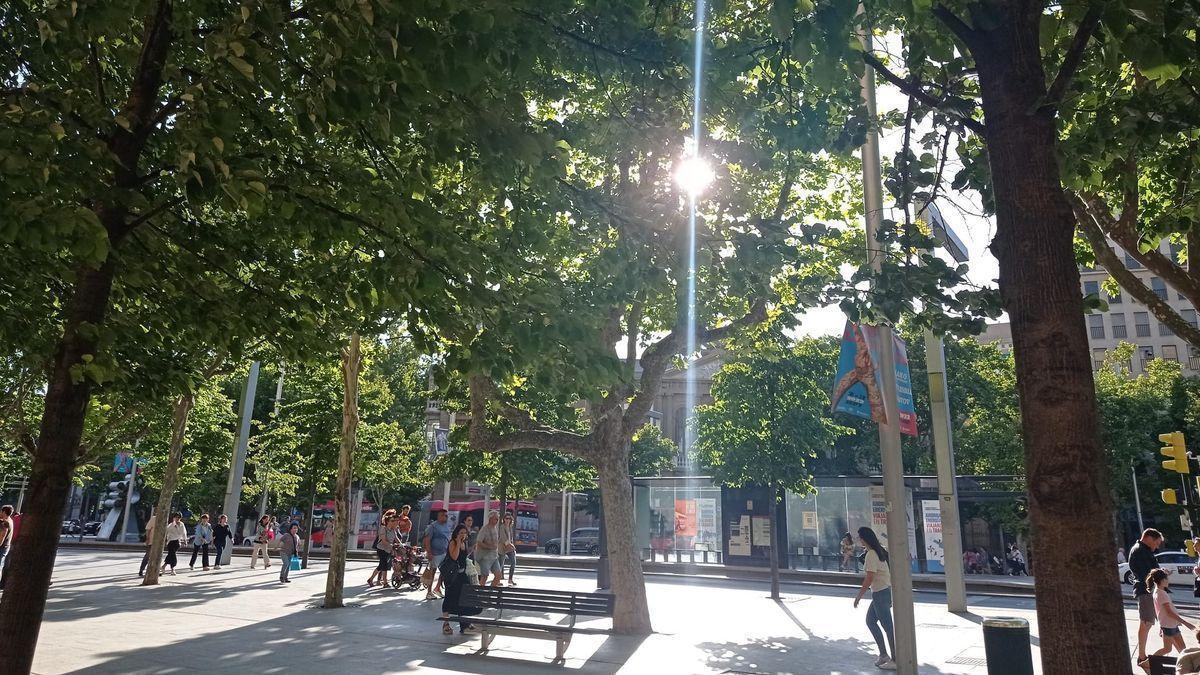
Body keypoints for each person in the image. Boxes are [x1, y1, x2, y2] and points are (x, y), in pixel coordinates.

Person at [853, 527, 896, 671]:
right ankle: (884, 654)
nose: (859, 540)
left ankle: (895, 659)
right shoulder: (879, 551)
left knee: (887, 626)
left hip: (880, 593)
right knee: (871, 621)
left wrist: (858, 596)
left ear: (865, 538)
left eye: (860, 537)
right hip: (882, 591)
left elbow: (869, 577)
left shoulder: (871, 554)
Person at [438, 523, 482, 635]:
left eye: (464, 533)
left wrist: (471, 549)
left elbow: (463, 556)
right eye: (460, 533)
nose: (463, 535)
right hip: (453, 576)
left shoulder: (464, 543)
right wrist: (457, 542)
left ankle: (465, 624)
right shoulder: (453, 542)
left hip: (462, 575)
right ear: (456, 533)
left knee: (465, 598)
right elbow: (454, 557)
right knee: (449, 598)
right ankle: (446, 623)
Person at [1131, 528, 1165, 670]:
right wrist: (1161, 573)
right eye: (1156, 543)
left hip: (1147, 590)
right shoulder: (1140, 551)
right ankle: (1142, 656)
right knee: (1146, 623)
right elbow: (1148, 573)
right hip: (1145, 591)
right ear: (1149, 538)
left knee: (1147, 622)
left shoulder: (1142, 550)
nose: (1156, 547)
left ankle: (1142, 655)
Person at [1150, 568, 1195, 660]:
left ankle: (1187, 667)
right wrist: (1186, 623)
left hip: (1170, 624)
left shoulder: (1157, 591)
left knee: (1183, 650)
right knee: (1167, 649)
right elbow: (1169, 613)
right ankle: (1149, 662)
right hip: (1168, 625)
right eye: (1166, 579)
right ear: (1162, 581)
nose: (1168, 581)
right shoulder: (1162, 594)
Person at [424, 509, 452, 600]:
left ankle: (438, 588)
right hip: (435, 553)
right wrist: (429, 552)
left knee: (444, 571)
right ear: (439, 516)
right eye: (443, 515)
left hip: (445, 552)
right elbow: (427, 540)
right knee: (432, 572)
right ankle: (429, 592)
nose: (446, 517)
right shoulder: (433, 526)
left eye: (446, 515)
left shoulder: (447, 526)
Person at [474, 511, 503, 587]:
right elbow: (479, 542)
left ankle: (490, 591)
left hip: (494, 556)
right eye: (495, 519)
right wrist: (488, 546)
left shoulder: (495, 528)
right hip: (485, 557)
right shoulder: (484, 529)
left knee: (498, 575)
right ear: (490, 519)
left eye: (497, 519)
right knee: (484, 576)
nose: (496, 521)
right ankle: (481, 593)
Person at [369, 515, 398, 587]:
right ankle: (375, 580)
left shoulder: (393, 530)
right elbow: (384, 540)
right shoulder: (383, 529)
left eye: (394, 521)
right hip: (381, 549)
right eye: (392, 521)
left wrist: (401, 545)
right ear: (387, 522)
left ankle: (382, 581)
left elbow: (397, 539)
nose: (393, 522)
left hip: (388, 550)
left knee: (384, 565)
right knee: (382, 565)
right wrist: (392, 545)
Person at [501, 511, 517, 586]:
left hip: (510, 547)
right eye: (506, 518)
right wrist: (510, 545)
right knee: (501, 564)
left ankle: (510, 579)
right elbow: (503, 538)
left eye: (509, 518)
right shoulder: (502, 527)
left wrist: (512, 544)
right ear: (504, 519)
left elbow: (511, 538)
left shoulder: (510, 527)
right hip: (503, 547)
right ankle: (498, 579)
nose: (507, 520)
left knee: (513, 562)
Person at [139, 509, 157, 577]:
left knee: (157, 556)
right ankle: (141, 570)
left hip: (159, 542)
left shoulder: (164, 519)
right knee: (148, 555)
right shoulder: (153, 519)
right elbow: (148, 529)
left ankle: (155, 571)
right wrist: (147, 539)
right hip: (152, 541)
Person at [0, 505, 13, 587]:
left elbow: (2, 536)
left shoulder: (5, 523)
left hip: (2, 547)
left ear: (4, 512)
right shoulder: (9, 520)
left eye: (1, 511)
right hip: (6, 547)